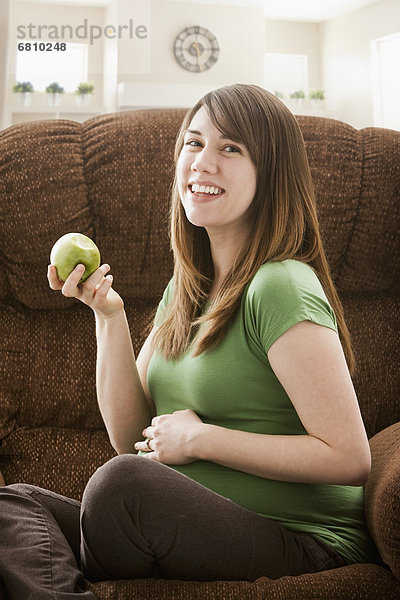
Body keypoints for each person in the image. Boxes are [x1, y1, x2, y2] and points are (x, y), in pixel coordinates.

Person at [0, 84, 378, 598]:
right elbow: (130, 433)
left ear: (270, 175)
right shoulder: (187, 287)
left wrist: (201, 440)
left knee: (120, 487)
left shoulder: (280, 283)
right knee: (13, 503)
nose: (203, 162)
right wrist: (108, 316)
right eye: (194, 143)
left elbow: (349, 457)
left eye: (231, 148)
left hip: (300, 538)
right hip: (173, 523)